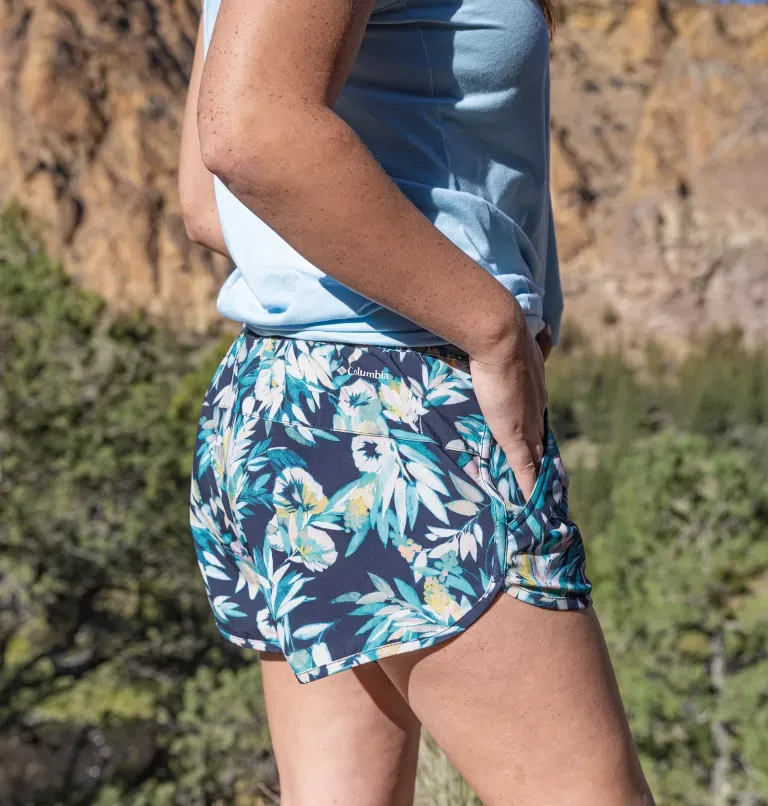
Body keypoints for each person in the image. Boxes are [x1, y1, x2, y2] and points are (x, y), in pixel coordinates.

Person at [178, 0, 655, 803]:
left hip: (286, 404)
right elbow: (249, 130)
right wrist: (489, 326)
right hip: (401, 417)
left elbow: (205, 203)